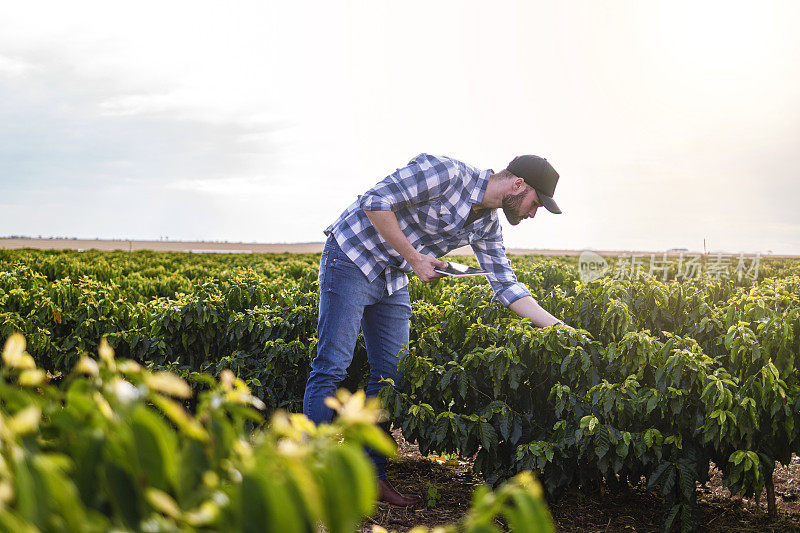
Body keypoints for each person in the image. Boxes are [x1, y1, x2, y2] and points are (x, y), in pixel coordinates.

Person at [303, 153, 567, 505]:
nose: (533, 213)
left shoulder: (487, 226)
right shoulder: (446, 173)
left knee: (391, 373)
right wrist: (415, 259)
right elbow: (374, 202)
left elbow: (506, 285)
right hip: (352, 257)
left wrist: (560, 328)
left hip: (392, 276)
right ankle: (308, 479)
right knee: (333, 365)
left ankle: (371, 478)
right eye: (536, 204)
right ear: (518, 185)